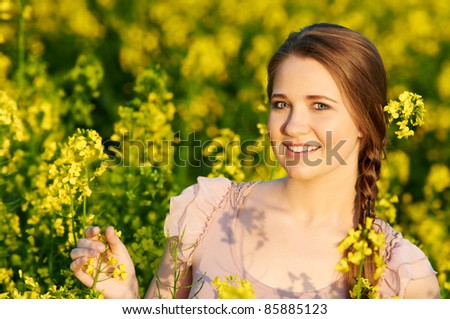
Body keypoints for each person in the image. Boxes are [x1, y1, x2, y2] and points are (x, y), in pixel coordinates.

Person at [70, 23, 441, 299]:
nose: (294, 126)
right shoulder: (205, 212)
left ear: (365, 121)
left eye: (320, 106)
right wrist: (127, 298)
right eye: (281, 104)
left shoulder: (401, 274)